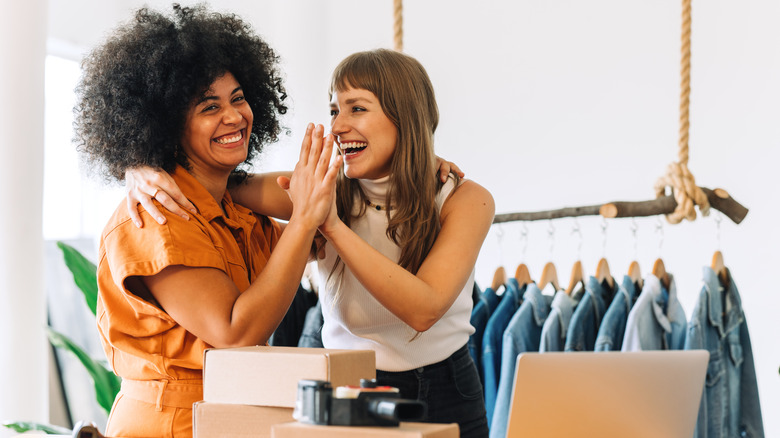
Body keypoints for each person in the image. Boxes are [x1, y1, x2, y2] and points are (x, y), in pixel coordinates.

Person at [129, 49, 494, 437]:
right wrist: (141, 164)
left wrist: (331, 225)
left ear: (405, 117)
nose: (337, 126)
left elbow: (424, 309)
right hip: (350, 391)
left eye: (357, 109)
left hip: (448, 389)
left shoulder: (465, 199)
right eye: (335, 110)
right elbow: (213, 180)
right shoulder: (322, 188)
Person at [73, 5, 340, 437]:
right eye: (208, 107)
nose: (233, 116)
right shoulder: (156, 217)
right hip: (171, 425)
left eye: (238, 98)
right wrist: (306, 217)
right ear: (166, 125)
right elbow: (235, 332)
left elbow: (324, 210)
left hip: (226, 414)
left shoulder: (231, 210)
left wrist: (420, 166)